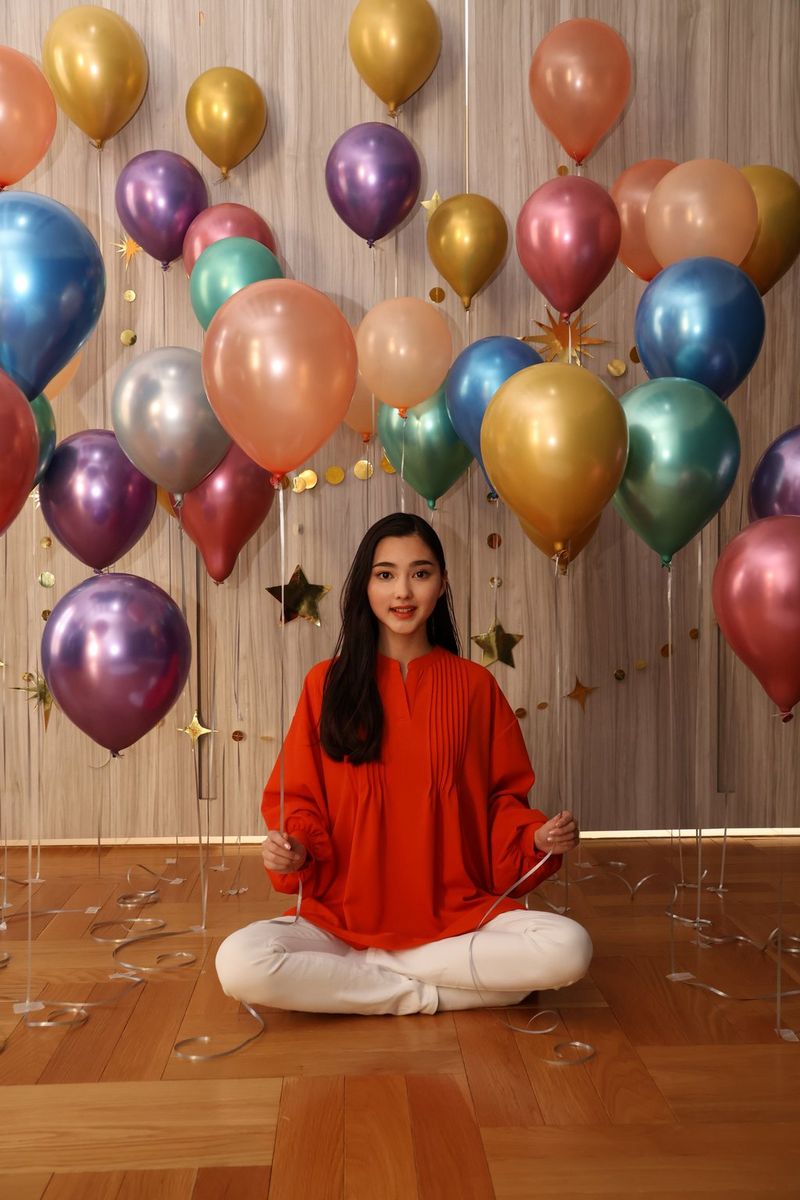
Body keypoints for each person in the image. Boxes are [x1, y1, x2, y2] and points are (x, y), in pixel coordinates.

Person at [216, 512, 592, 1016]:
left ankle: (372, 978)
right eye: (385, 574)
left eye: (420, 573)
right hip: (342, 919)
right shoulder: (325, 684)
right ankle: (432, 989)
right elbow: (299, 799)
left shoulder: (476, 688)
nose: (403, 592)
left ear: (441, 585)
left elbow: (503, 800)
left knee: (569, 948)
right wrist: (294, 847)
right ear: (365, 587)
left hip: (458, 917)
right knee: (239, 963)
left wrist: (535, 837)